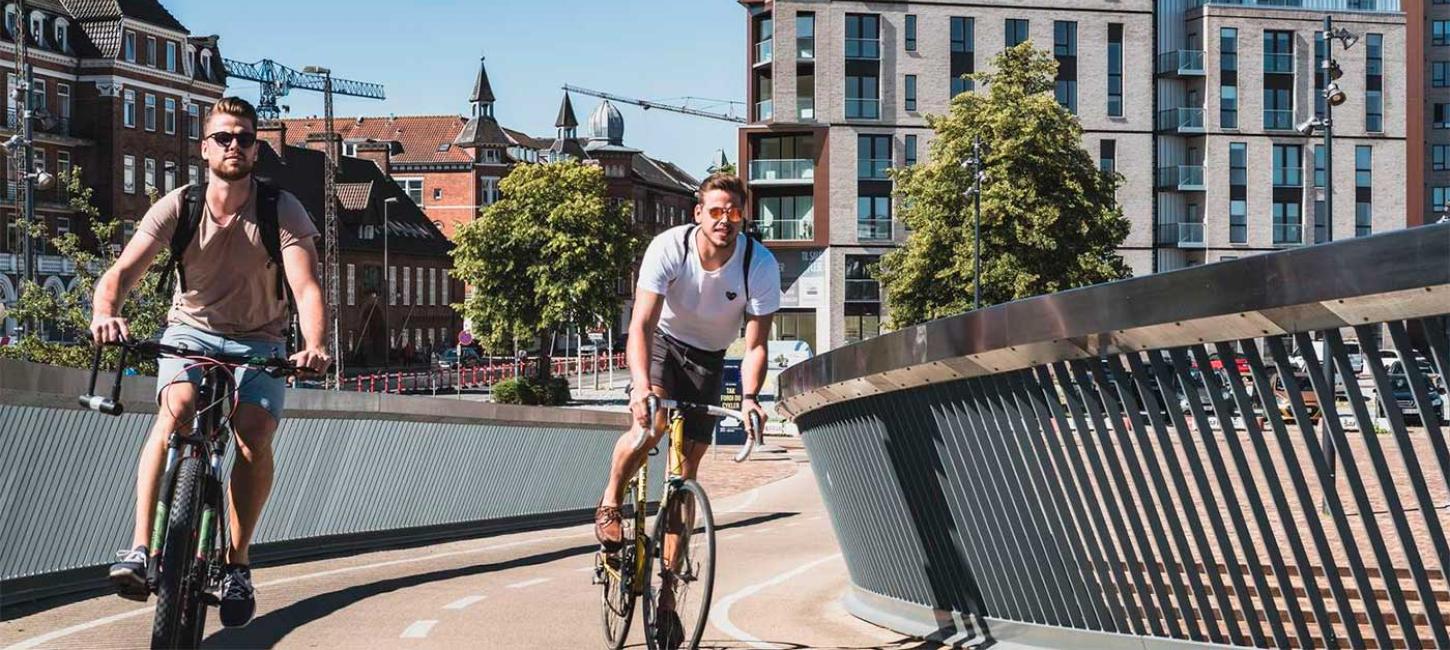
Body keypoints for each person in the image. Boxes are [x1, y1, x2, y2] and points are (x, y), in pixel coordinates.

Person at [90, 97, 329, 628]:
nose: (234, 146)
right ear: (204, 148)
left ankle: (237, 563)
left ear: (255, 148)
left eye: (244, 138)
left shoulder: (280, 208)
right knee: (176, 409)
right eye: (223, 137)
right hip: (189, 332)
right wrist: (106, 312)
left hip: (261, 341)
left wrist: (312, 344)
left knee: (253, 433)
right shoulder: (180, 205)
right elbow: (124, 270)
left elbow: (306, 286)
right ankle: (139, 549)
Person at [594, 173, 780, 636]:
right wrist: (640, 386)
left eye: (733, 212)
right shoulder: (669, 248)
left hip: (710, 360)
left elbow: (756, 346)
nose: (724, 220)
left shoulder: (758, 264)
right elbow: (639, 325)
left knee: (686, 475)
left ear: (743, 216)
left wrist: (752, 398)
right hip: (663, 344)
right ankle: (611, 499)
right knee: (650, 425)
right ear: (698, 213)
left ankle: (668, 599)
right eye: (715, 211)